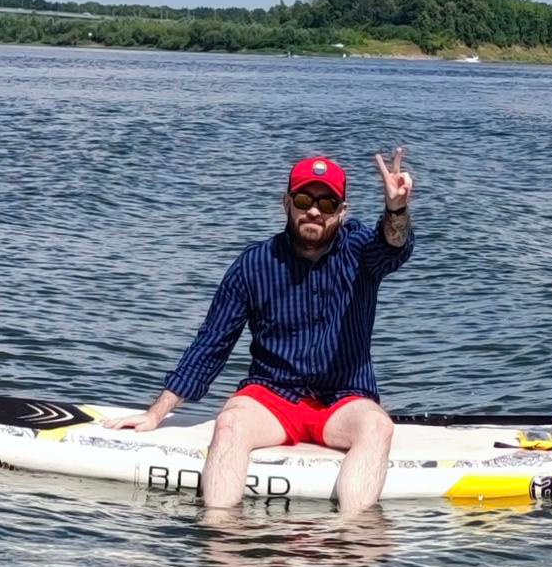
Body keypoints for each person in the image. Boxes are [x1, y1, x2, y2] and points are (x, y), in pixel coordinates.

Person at [125, 147, 415, 515]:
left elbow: (394, 248)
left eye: (327, 204)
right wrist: (156, 413)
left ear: (342, 213)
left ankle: (350, 543)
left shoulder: (359, 251)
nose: (313, 210)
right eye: (304, 199)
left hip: (343, 399)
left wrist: (396, 210)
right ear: (287, 203)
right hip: (273, 398)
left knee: (378, 427)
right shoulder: (253, 265)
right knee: (230, 422)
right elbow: (211, 345)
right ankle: (221, 541)